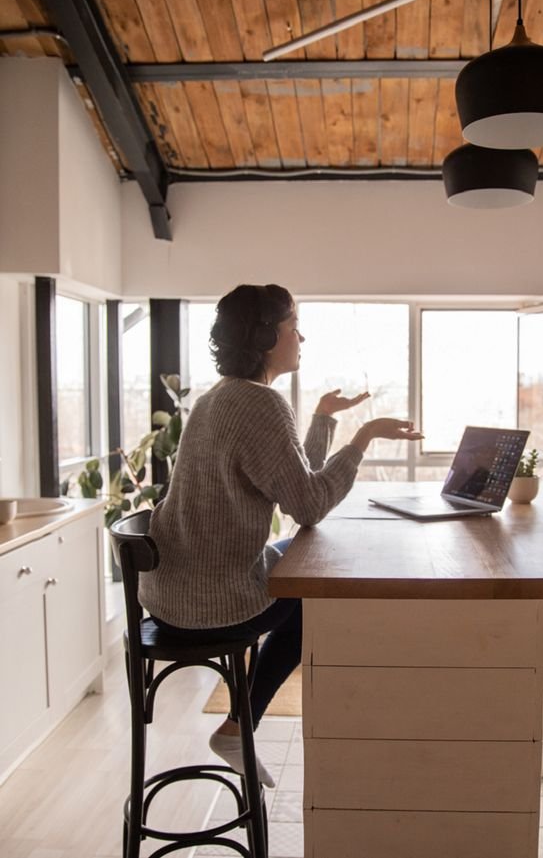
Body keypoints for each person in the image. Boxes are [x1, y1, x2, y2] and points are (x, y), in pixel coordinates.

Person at [139, 283, 422, 786]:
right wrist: (363, 437)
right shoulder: (260, 404)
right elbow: (310, 506)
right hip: (211, 604)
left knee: (300, 560)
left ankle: (238, 725)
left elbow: (293, 481)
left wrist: (322, 419)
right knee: (316, 587)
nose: (301, 337)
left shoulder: (218, 398)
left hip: (168, 593)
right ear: (267, 335)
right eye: (294, 326)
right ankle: (241, 727)